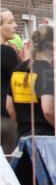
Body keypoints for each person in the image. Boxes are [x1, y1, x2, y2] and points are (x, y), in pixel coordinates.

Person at [9, 25, 56, 139]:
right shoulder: (46, 70)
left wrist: (20, 126)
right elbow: (48, 110)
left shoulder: (18, 68)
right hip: (44, 138)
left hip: (22, 136)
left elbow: (9, 106)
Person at [1, 8, 20, 155]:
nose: (15, 25)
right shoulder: (7, 52)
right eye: (10, 22)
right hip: (5, 119)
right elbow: (17, 85)